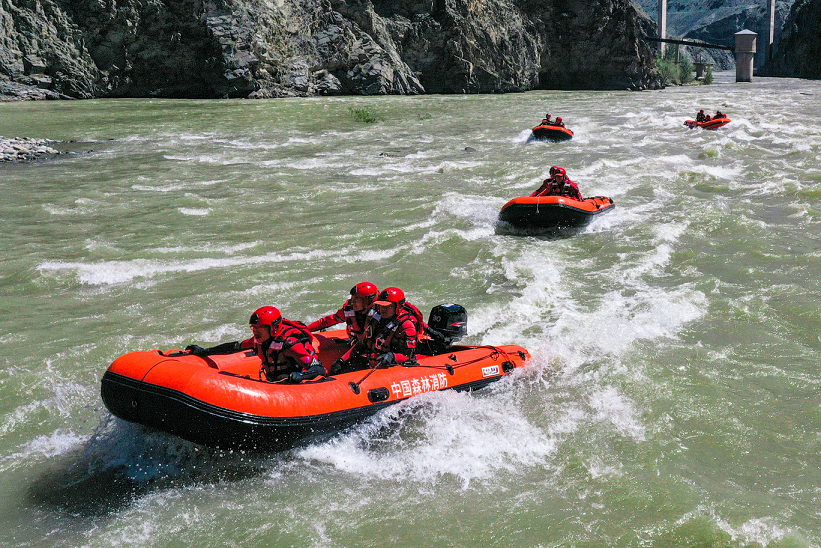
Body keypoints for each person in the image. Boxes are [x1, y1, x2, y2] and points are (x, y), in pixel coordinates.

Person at [185, 306, 326, 383]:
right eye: (253, 327)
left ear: (273, 328)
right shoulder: (259, 341)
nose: (255, 331)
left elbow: (319, 369)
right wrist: (204, 351)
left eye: (259, 328)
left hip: (291, 386)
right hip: (273, 384)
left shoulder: (290, 345)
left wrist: (301, 376)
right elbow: (233, 347)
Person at [333, 287, 422, 371]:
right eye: (381, 306)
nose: (383, 309)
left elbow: (409, 356)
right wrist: (342, 360)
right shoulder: (376, 319)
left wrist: (392, 356)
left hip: (390, 367)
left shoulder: (407, 326)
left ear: (399, 307)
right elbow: (361, 344)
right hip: (370, 361)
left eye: (388, 307)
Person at [306, 282, 378, 345]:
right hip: (356, 343)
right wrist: (305, 330)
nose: (353, 302)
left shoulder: (382, 313)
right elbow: (325, 322)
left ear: (368, 301)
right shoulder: (349, 310)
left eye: (356, 299)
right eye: (352, 298)